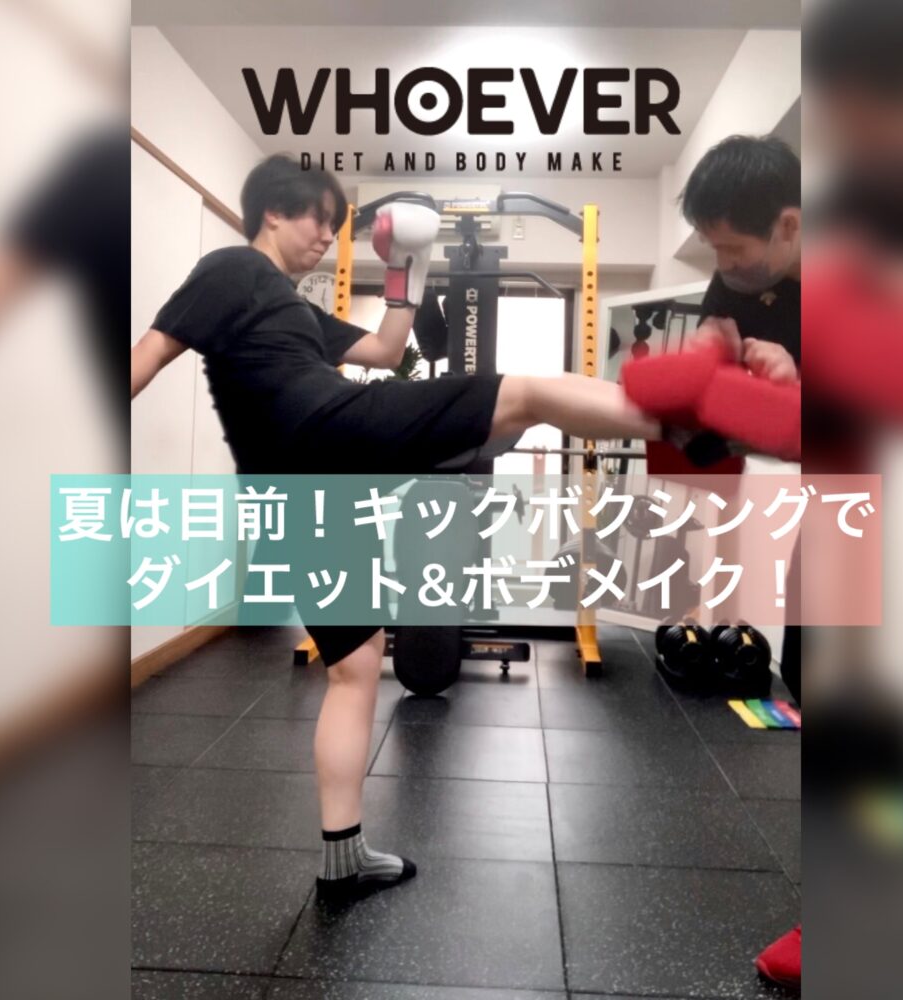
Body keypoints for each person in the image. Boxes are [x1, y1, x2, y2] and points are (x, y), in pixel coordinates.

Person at [131, 153, 664, 904]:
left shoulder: (291, 307)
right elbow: (147, 356)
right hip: (328, 432)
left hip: (296, 492)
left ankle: (343, 858)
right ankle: (692, 415)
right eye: (318, 218)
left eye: (335, 223)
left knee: (355, 666)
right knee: (529, 393)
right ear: (272, 212)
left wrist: (404, 268)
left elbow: (385, 351)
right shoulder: (231, 268)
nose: (327, 235)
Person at [675, 134, 803, 989]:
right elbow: (715, 433)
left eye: (734, 250)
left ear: (790, 225)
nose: (723, 270)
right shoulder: (736, 284)